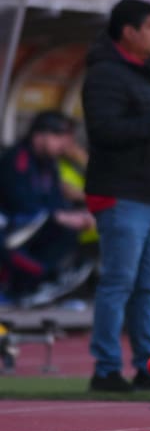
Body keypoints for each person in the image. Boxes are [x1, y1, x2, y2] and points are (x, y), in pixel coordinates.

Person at [82, 0, 150, 392]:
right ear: (128, 32)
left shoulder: (144, 72)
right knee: (119, 283)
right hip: (121, 194)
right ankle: (106, 369)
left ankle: (149, 365)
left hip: (149, 196)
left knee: (146, 286)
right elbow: (104, 131)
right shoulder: (105, 74)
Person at [0, 111, 95, 305]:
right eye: (59, 137)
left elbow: (55, 200)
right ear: (39, 135)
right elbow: (20, 205)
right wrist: (59, 216)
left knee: (70, 229)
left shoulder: (49, 164)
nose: (65, 144)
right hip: (11, 228)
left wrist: (76, 215)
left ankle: (41, 286)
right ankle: (31, 285)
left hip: (35, 226)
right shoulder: (17, 159)